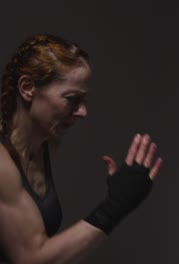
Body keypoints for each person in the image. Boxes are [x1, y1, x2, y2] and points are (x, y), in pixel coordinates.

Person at [0, 34, 163, 263]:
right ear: (27, 88)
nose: (83, 112)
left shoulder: (44, 144)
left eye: (83, 100)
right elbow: (32, 258)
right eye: (71, 99)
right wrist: (115, 205)